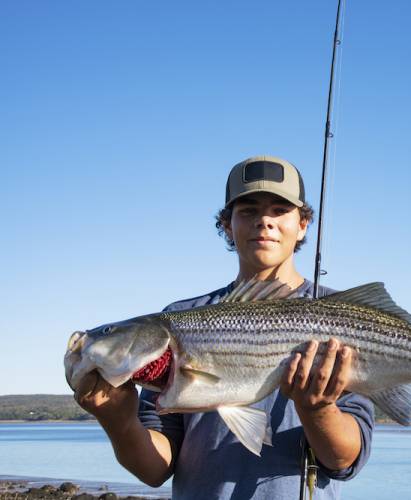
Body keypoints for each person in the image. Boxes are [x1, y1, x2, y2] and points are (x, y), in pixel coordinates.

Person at [73, 155, 374, 499]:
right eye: (247, 210)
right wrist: (119, 422)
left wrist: (317, 409)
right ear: (227, 224)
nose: (265, 221)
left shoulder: (344, 318)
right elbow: (155, 469)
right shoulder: (179, 316)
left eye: (280, 210)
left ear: (303, 224)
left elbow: (345, 460)